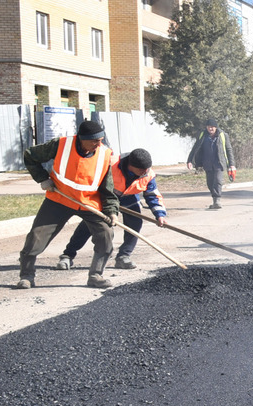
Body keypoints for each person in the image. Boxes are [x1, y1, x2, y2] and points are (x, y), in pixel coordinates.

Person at [15, 118, 120, 290]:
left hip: (88, 203)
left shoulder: (104, 154)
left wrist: (111, 211)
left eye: (100, 140)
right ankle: (26, 276)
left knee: (106, 236)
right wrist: (42, 178)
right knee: (36, 237)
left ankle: (95, 276)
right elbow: (30, 155)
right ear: (81, 138)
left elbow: (107, 188)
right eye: (94, 141)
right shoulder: (61, 145)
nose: (98, 144)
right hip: (59, 199)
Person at [57, 148, 167, 271]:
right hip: (105, 198)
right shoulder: (110, 165)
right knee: (89, 225)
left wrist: (159, 215)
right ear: (131, 166)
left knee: (135, 223)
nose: (145, 172)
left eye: (147, 169)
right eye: (141, 170)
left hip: (128, 198)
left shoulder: (148, 174)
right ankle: (68, 255)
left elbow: (152, 195)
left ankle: (123, 256)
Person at [187, 121, 236, 209]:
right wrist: (190, 160)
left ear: (216, 127)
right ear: (206, 127)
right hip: (207, 163)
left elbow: (229, 150)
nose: (210, 129)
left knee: (217, 181)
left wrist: (231, 164)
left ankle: (217, 201)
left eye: (212, 127)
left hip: (219, 163)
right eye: (209, 127)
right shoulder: (202, 135)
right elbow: (195, 148)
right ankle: (214, 200)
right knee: (210, 183)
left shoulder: (223, 135)